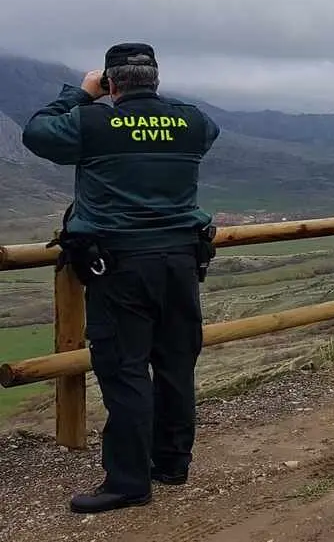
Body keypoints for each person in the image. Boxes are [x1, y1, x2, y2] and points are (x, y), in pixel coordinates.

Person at [21, 42, 220, 514]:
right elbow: (204, 134)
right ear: (156, 79)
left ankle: (129, 481)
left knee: (125, 369)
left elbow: (36, 134)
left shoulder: (91, 122)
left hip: (120, 267)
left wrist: (79, 94)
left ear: (111, 84)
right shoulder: (192, 121)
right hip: (181, 263)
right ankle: (172, 464)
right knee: (175, 363)